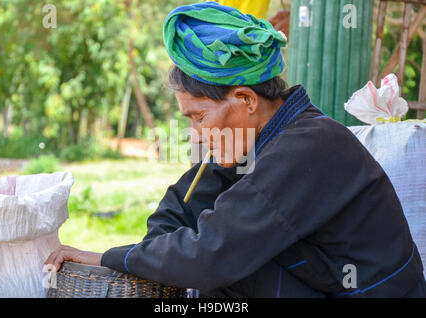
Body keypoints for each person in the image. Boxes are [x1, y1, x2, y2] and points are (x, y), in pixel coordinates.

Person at [45, 2, 426, 297]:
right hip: (323, 280)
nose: (195, 134)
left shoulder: (309, 145)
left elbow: (210, 252)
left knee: (222, 272)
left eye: (198, 117)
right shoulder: (252, 137)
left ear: (244, 99)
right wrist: (146, 262)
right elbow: (181, 204)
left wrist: (111, 257)